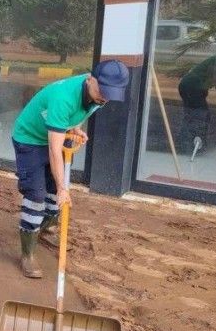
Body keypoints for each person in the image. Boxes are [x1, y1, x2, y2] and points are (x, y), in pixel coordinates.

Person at [11, 60, 130, 278]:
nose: (105, 97)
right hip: (29, 139)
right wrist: (62, 188)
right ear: (90, 79)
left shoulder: (97, 96)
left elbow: (80, 112)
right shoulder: (63, 98)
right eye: (102, 90)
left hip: (57, 133)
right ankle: (27, 253)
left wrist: (74, 127)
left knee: (53, 192)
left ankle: (46, 228)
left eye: (110, 93)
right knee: (37, 195)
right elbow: (55, 150)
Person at [177, 50, 216, 154]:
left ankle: (187, 143)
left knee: (193, 115)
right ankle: (191, 146)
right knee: (199, 115)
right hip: (193, 85)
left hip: (191, 85)